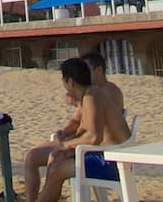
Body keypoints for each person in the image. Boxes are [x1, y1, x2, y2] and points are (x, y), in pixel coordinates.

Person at [35, 58, 131, 202]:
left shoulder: (92, 96)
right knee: (55, 158)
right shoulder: (91, 94)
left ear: (70, 82)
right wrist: (70, 145)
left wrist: (66, 145)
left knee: (57, 171)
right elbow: (88, 131)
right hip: (110, 155)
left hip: (113, 162)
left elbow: (94, 137)